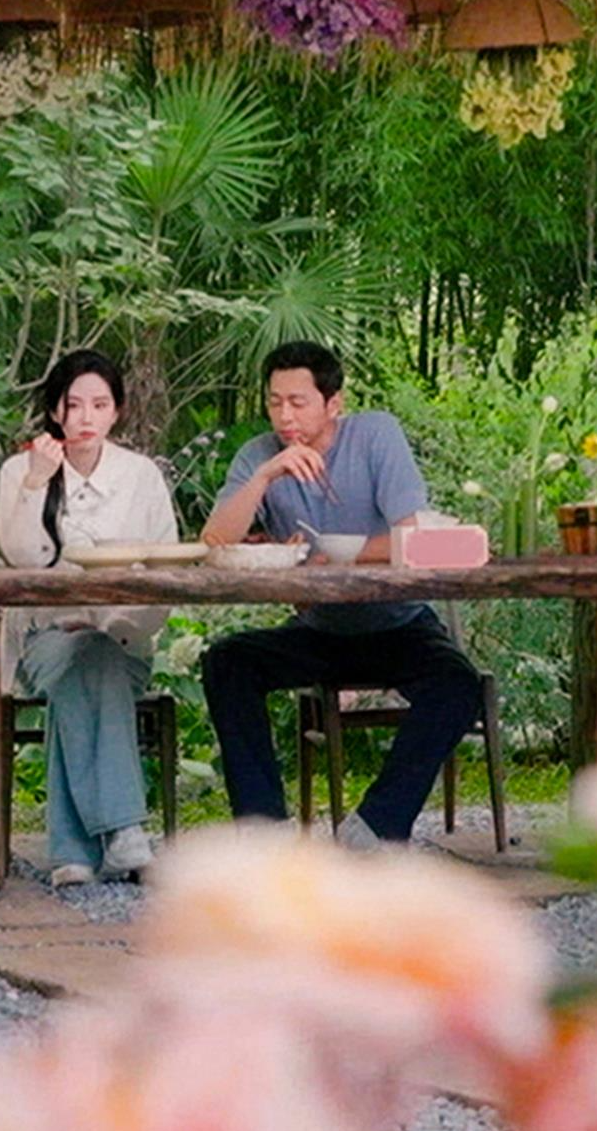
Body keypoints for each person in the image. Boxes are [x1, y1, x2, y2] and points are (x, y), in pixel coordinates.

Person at [198, 341, 484, 848]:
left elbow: (411, 535)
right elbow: (214, 541)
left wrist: (343, 557)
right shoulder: (259, 455)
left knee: (458, 684)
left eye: (298, 402)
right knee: (228, 661)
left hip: (398, 624)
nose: (284, 415)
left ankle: (374, 828)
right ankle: (265, 834)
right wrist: (267, 475)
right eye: (274, 401)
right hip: (320, 631)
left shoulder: (375, 435)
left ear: (334, 404)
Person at [0, 350, 178, 887]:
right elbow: (20, 559)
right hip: (44, 639)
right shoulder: (21, 470)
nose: (86, 417)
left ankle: (73, 850)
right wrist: (35, 481)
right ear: (55, 412)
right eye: (74, 405)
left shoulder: (141, 476)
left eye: (99, 404)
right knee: (78, 661)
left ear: (117, 411)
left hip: (124, 641)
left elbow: (166, 570)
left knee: (93, 659)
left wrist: (117, 627)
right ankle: (124, 832)